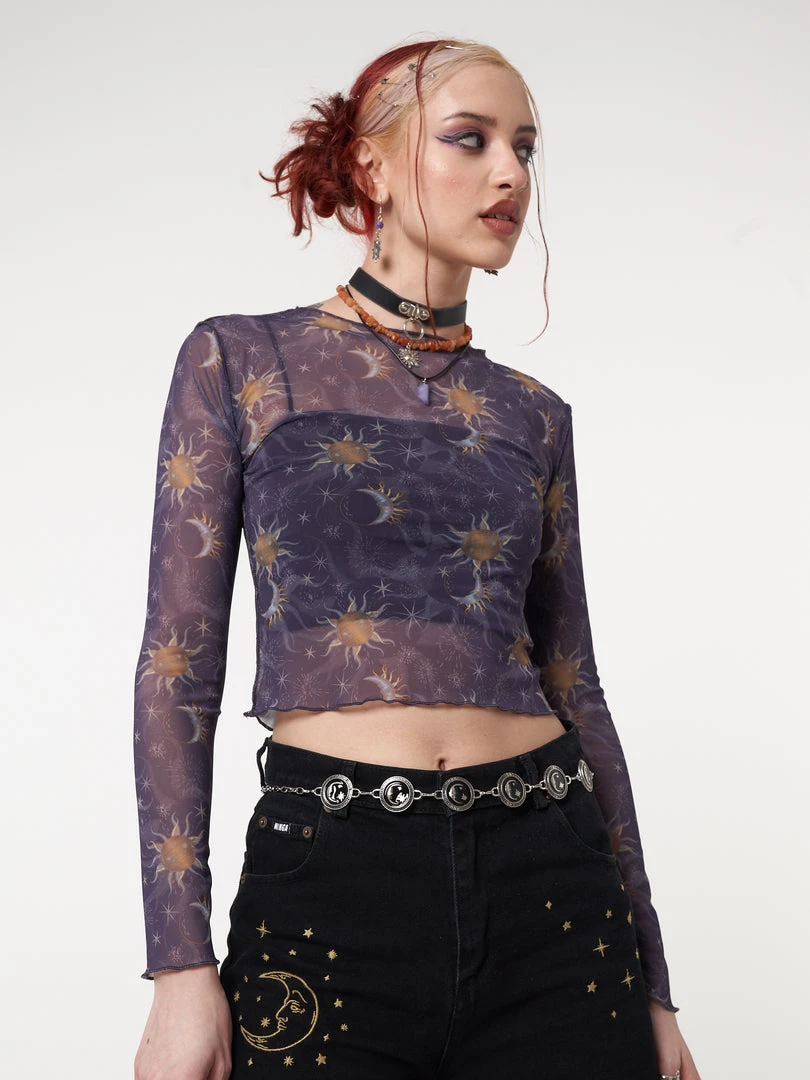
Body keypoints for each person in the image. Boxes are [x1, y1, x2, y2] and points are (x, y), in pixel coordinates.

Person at [133, 38, 700, 1080]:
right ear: (373, 166)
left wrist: (654, 984)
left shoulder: (533, 414)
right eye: (470, 139)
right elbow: (177, 668)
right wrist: (179, 966)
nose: (510, 174)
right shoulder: (241, 360)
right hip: (332, 879)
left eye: (525, 147)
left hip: (554, 888)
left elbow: (576, 684)